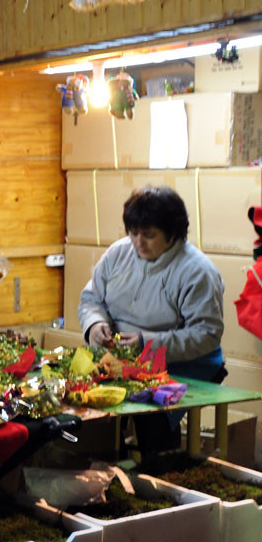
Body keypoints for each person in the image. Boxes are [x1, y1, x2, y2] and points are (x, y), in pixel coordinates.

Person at [79, 185, 226, 452]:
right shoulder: (117, 254)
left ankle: (157, 474)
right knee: (90, 409)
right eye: (134, 233)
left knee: (154, 427)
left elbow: (206, 334)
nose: (138, 242)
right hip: (123, 356)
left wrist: (147, 343)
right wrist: (95, 325)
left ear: (173, 233)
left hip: (181, 363)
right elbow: (91, 299)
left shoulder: (197, 271)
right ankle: (105, 469)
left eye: (149, 235)